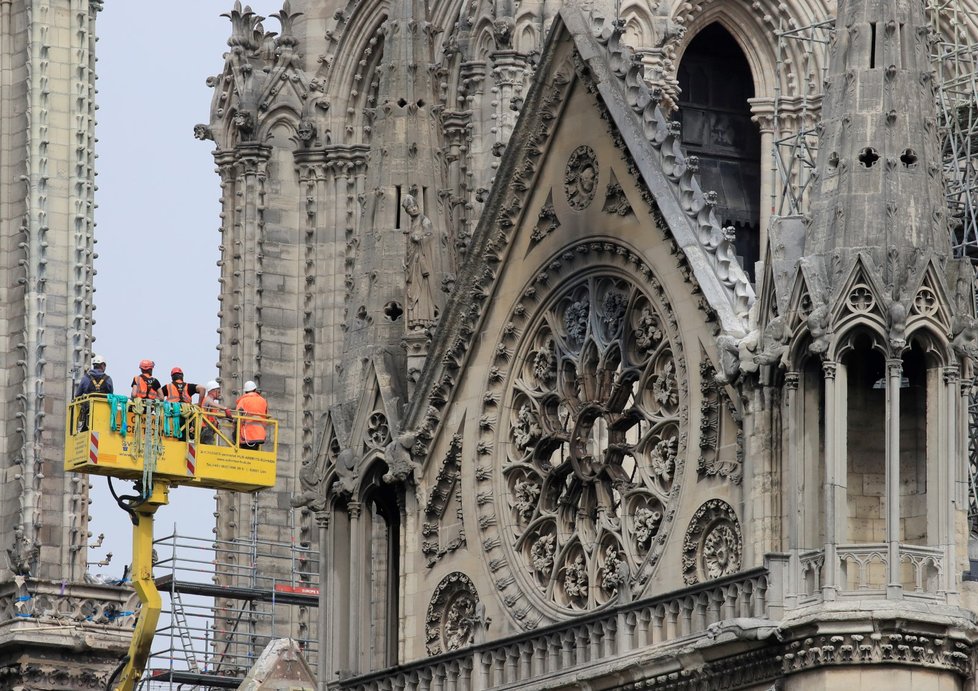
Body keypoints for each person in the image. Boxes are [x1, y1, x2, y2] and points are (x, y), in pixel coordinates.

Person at [74, 354, 113, 432]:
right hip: (104, 411)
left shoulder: (85, 378)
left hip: (88, 410)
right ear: (102, 365)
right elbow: (111, 394)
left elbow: (77, 395)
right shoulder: (108, 379)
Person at [234, 380, 268, 449]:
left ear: (245, 391)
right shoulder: (263, 401)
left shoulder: (243, 401)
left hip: (247, 435)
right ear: (255, 390)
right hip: (260, 434)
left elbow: (237, 417)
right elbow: (265, 415)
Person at [199, 380, 229, 445]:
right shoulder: (208, 399)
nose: (220, 393)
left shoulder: (212, 403)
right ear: (213, 391)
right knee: (208, 450)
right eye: (218, 391)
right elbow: (210, 402)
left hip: (209, 429)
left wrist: (228, 417)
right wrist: (225, 408)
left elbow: (217, 415)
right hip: (205, 429)